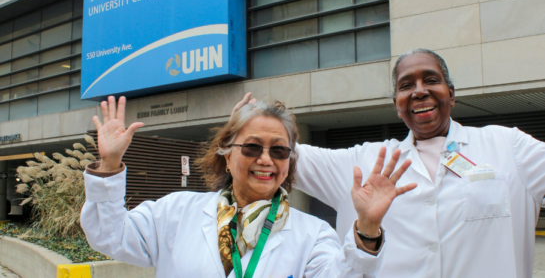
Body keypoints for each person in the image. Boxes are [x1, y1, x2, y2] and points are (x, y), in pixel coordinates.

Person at [234, 48, 545, 278]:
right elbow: (280, 154)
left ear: (451, 94)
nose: (420, 91)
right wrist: (248, 126)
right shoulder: (361, 163)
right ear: (397, 106)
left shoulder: (509, 147)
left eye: (431, 80)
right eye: (406, 85)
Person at [80, 98, 416, 277]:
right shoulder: (175, 213)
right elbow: (110, 235)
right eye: (252, 147)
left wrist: (368, 228)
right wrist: (109, 165)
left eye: (279, 150)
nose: (266, 160)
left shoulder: (313, 236)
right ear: (226, 155)